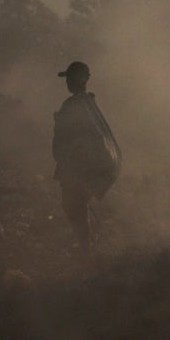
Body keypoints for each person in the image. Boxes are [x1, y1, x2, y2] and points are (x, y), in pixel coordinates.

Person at [52, 61, 121, 253]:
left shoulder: (74, 105)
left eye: (70, 78)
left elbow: (67, 137)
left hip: (79, 167)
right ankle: (87, 242)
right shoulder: (88, 102)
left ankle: (86, 249)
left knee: (74, 205)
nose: (68, 83)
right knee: (77, 205)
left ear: (79, 80)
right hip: (85, 166)